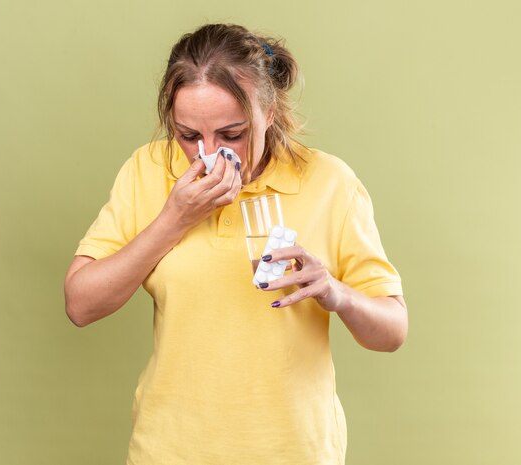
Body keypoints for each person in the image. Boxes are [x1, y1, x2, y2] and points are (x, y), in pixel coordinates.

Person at [64, 23, 407, 465]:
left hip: (294, 453)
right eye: (189, 136)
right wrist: (174, 219)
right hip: (171, 451)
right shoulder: (148, 169)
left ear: (268, 111)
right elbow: (80, 305)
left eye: (231, 135)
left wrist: (335, 292)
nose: (209, 154)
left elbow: (393, 331)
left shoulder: (329, 183)